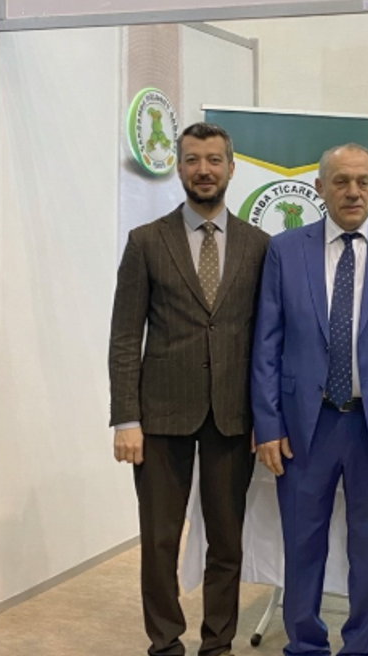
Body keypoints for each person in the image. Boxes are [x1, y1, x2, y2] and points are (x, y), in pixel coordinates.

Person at [252, 143, 368, 656]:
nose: (353, 191)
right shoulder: (285, 250)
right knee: (301, 543)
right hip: (304, 426)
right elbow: (266, 344)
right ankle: (305, 644)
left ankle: (361, 646)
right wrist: (268, 425)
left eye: (363, 181)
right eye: (341, 181)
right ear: (320, 188)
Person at [109, 122, 271, 656]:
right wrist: (125, 419)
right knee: (159, 541)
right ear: (179, 168)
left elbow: (268, 339)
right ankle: (165, 642)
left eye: (214, 160)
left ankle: (217, 643)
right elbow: (125, 336)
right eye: (193, 160)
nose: (204, 170)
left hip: (233, 415)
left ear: (231, 167)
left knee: (226, 541)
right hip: (159, 416)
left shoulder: (259, 246)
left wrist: (267, 418)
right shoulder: (145, 242)